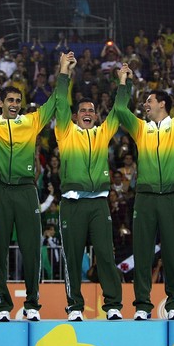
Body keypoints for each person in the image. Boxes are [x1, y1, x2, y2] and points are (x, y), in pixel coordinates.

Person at [0, 43, 58, 323]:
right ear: (2, 103)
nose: (15, 105)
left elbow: (54, 102)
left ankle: (32, 304)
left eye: (18, 101)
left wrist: (64, 73)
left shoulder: (31, 122)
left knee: (32, 249)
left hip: (26, 191)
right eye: (10, 101)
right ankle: (3, 307)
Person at [114, 49, 174, 321]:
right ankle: (142, 305)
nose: (145, 105)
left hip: (172, 197)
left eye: (149, 101)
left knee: (172, 254)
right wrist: (124, 82)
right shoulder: (141, 128)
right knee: (142, 253)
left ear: (162, 103)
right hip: (145, 197)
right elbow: (119, 109)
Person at [55, 52, 123, 321]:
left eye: (91, 111)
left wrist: (123, 82)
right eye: (82, 110)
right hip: (71, 204)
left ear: (96, 116)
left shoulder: (103, 132)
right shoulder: (65, 131)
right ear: (75, 116)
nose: (87, 113)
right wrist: (64, 71)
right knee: (72, 258)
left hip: (98, 203)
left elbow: (119, 110)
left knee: (106, 256)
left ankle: (114, 305)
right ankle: (74, 307)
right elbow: (60, 102)